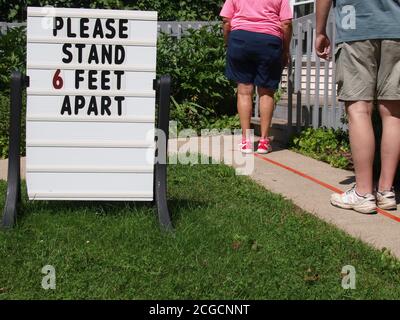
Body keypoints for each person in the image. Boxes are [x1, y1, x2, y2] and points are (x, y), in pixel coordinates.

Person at [316, 0, 400, 213]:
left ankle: (363, 193)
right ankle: (385, 190)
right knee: (393, 113)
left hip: (356, 26)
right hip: (396, 28)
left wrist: (320, 31)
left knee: (359, 109)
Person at [220, 0, 293, 154]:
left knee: (244, 91)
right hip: (269, 41)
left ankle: (246, 142)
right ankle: (264, 142)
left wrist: (228, 42)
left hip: (240, 40)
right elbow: (286, 24)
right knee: (266, 92)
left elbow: (227, 20)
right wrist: (285, 50)